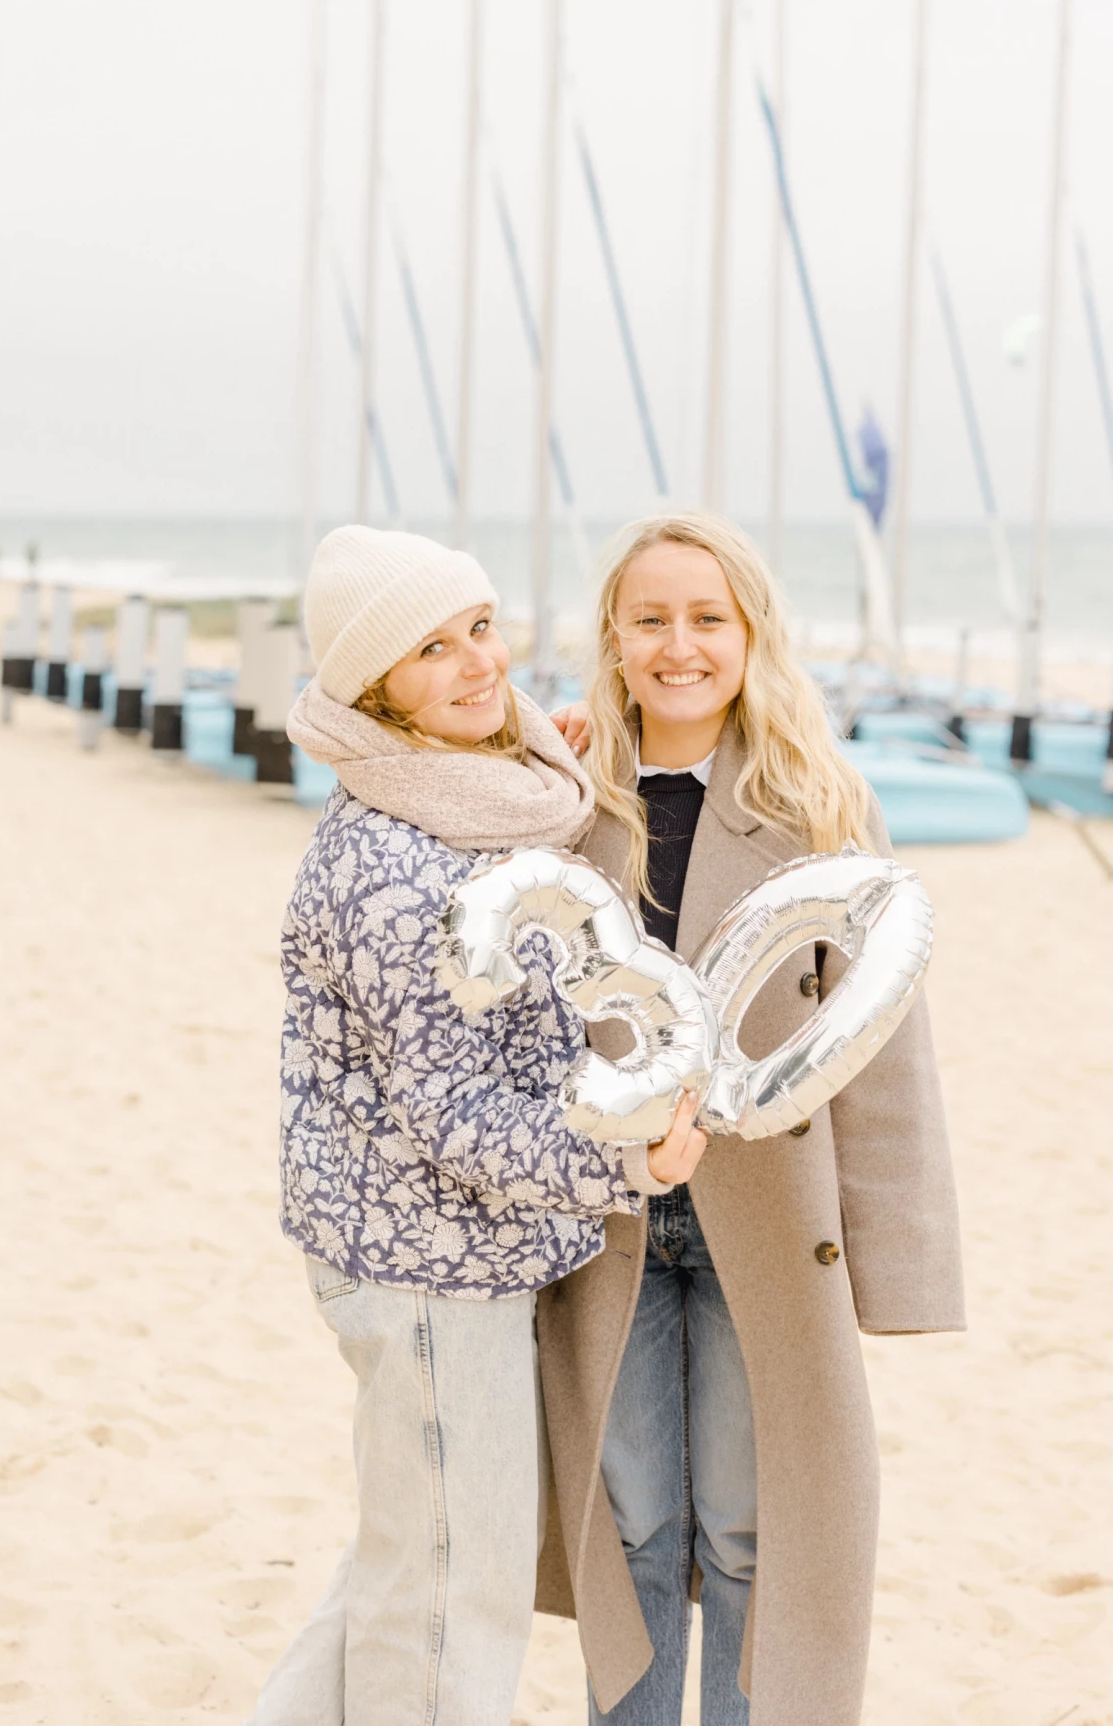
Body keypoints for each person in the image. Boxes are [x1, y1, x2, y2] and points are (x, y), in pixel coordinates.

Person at [245, 524, 703, 1726]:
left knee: (404, 1562)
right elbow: (456, 1116)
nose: (475, 666)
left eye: (480, 628)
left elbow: (514, 783)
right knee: (459, 1592)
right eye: (429, 651)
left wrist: (554, 738)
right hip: (427, 1274)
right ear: (373, 691)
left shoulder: (459, 794)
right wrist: (624, 1159)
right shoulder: (395, 864)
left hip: (422, 1257)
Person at [538, 511, 965, 1726]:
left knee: (743, 1532)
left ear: (751, 634)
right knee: (630, 1533)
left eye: (707, 618)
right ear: (614, 640)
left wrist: (903, 1266)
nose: (681, 646)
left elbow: (886, 1052)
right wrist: (544, 743)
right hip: (605, 1229)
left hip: (767, 1234)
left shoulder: (823, 806)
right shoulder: (565, 802)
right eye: (651, 618)